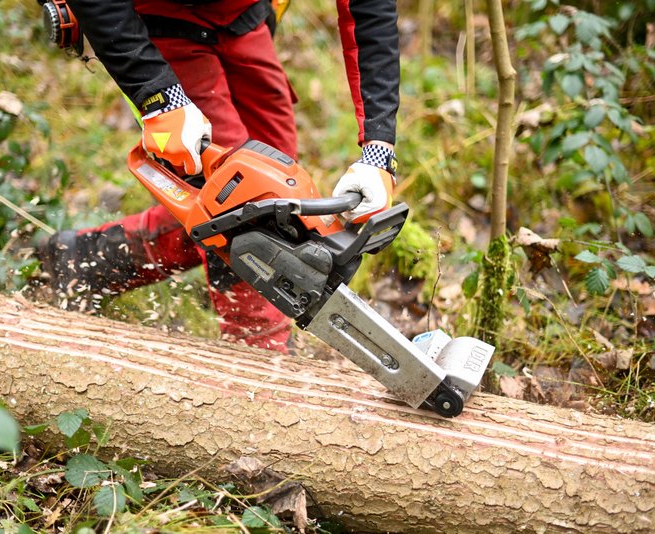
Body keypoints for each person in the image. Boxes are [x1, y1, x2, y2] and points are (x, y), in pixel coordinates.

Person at [42, 0, 400, 353]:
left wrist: (379, 148)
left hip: (241, 15)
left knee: (279, 193)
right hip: (151, 17)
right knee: (244, 202)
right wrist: (156, 95)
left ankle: (84, 260)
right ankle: (260, 354)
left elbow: (369, 10)